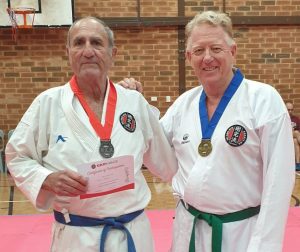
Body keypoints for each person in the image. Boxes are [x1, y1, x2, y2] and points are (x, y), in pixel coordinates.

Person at [121, 10, 295, 252]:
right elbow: (154, 148)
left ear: (232, 52)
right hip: (188, 229)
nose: (207, 58)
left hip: (240, 235)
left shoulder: (264, 100)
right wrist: (134, 105)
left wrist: (263, 246)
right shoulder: (184, 103)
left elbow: (279, 182)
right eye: (199, 51)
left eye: (216, 48)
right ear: (189, 56)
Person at [5, 17, 178, 252]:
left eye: (96, 43)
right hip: (76, 237)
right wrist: (46, 179)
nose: (88, 51)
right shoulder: (47, 103)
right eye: (79, 43)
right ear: (68, 52)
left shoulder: (133, 102)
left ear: (112, 52)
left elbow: (166, 164)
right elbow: (16, 156)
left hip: (132, 234)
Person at [286, 102, 300, 170]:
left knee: (295, 141)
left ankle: (297, 164)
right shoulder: (283, 119)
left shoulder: (296, 119)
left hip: (293, 138)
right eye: (288, 110)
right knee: (297, 133)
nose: (290, 111)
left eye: (291, 109)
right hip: (285, 137)